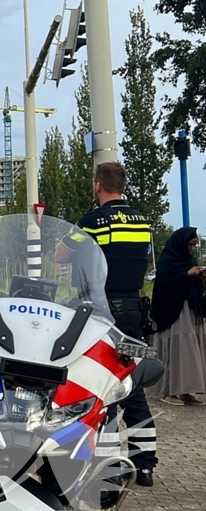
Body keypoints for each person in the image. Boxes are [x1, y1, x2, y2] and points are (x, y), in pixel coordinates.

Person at [57, 162, 157, 487]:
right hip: (132, 309)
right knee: (132, 384)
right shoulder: (142, 221)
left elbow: (60, 255)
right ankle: (144, 464)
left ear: (97, 185)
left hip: (101, 310)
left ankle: (107, 465)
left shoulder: (92, 221)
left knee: (101, 384)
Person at [149, 227, 206, 406]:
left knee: (190, 350)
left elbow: (193, 286)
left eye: (194, 245)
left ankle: (186, 389)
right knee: (176, 349)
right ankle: (169, 391)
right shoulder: (167, 260)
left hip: (190, 310)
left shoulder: (190, 260)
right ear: (181, 243)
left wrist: (200, 278)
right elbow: (164, 283)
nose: (192, 249)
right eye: (190, 244)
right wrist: (187, 274)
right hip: (173, 313)